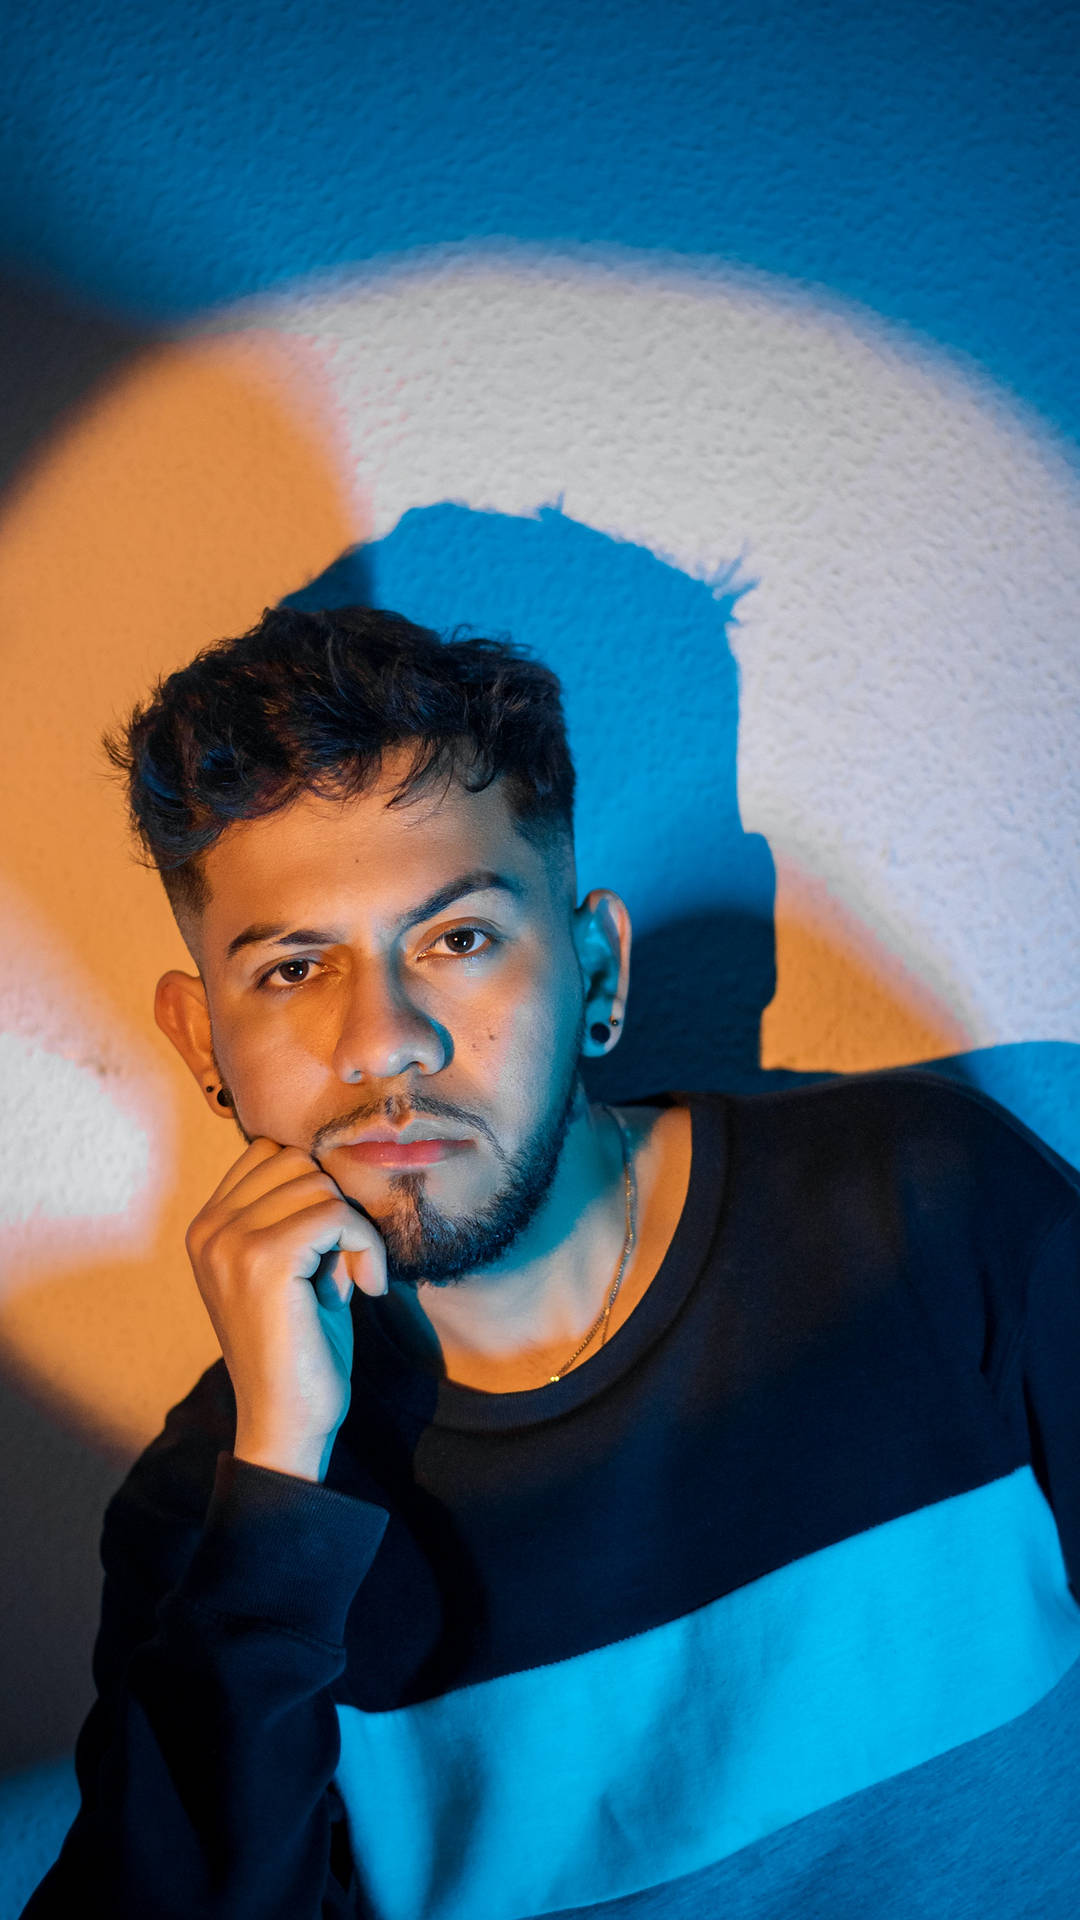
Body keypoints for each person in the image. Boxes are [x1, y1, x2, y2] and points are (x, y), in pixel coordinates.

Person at [23, 603, 1080, 1920]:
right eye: (296, 970)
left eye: (457, 940)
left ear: (594, 973)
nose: (384, 1044)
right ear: (201, 1044)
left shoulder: (928, 1208)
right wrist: (283, 1476)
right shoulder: (217, 1516)